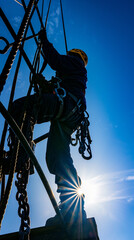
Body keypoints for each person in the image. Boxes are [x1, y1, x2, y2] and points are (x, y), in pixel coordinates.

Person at [4, 28, 88, 227]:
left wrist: (43, 40)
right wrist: (43, 84)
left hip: (66, 105)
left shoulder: (73, 62)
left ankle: (20, 157)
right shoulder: (74, 76)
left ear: (75, 55)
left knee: (21, 108)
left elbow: (56, 61)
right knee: (57, 157)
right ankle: (71, 210)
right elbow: (53, 90)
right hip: (70, 113)